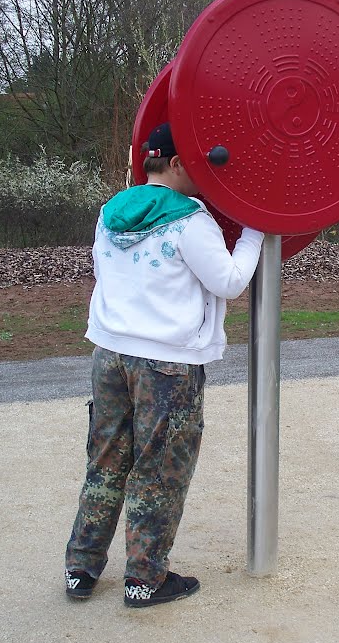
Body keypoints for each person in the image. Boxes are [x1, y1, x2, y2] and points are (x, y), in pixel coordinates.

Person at [64, 122, 264, 607]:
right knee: (159, 470)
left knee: (106, 461)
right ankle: (145, 579)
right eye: (195, 163)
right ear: (174, 163)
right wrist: (258, 224)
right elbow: (230, 281)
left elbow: (104, 272)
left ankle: (81, 569)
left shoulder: (111, 211)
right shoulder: (191, 221)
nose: (203, 173)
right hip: (166, 365)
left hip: (109, 354)